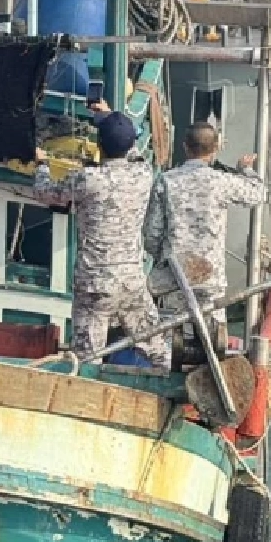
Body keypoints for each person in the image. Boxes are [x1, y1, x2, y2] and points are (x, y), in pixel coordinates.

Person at [32, 104, 170, 365]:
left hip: (95, 283)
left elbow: (46, 193)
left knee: (86, 359)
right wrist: (109, 117)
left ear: (99, 146)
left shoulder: (88, 179)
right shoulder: (143, 174)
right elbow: (132, 149)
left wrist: (41, 164)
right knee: (155, 346)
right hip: (131, 280)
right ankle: (169, 388)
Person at [143, 122, 267, 316]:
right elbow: (258, 194)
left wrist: (162, 258)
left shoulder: (166, 180)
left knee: (173, 332)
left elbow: (151, 233)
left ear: (185, 146)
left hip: (175, 275)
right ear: (215, 149)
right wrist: (245, 169)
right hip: (211, 275)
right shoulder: (220, 181)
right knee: (212, 332)